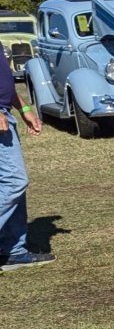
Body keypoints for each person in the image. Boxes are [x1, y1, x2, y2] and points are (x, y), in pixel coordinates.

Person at [0, 43, 51, 272]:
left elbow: (4, 82)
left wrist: (24, 109)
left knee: (9, 185)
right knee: (14, 181)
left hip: (5, 114)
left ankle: (12, 250)